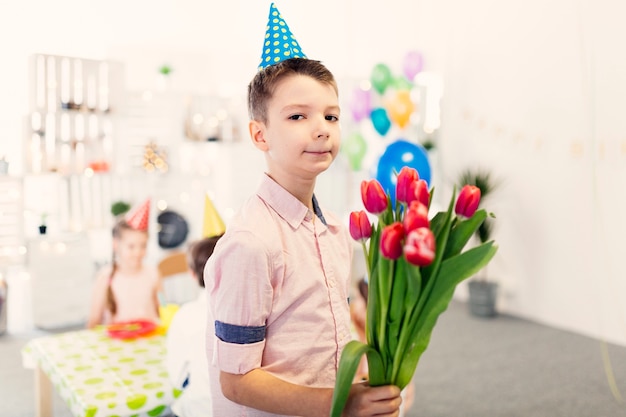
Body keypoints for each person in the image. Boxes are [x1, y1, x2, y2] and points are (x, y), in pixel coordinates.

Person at [203, 4, 402, 416]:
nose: (322, 128)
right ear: (260, 134)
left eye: (331, 115)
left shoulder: (332, 230)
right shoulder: (251, 244)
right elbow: (237, 380)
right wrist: (340, 405)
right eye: (298, 116)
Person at [166, 235, 223, 417]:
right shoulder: (252, 309)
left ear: (192, 273)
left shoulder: (185, 315)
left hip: (200, 410)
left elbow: (177, 378)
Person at [87, 199, 160, 328]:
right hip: (117, 345)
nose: (138, 252)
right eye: (131, 246)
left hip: (149, 342)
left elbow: (161, 309)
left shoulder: (153, 274)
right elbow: (94, 320)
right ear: (116, 245)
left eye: (143, 245)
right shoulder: (105, 277)